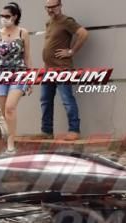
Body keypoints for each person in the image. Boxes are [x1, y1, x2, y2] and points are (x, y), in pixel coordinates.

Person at [0, 2, 31, 154]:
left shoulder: (23, 33)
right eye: (2, 16)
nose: (3, 18)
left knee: (10, 108)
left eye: (7, 16)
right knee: (3, 112)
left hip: (19, 74)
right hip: (1, 75)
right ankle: (4, 143)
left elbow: (27, 57)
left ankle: (11, 145)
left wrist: (30, 79)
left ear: (15, 17)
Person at [39, 0, 88, 141]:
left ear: (60, 6)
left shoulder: (67, 21)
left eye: (53, 7)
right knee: (45, 100)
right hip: (48, 69)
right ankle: (47, 132)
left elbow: (83, 34)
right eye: (47, 7)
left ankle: (74, 130)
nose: (50, 10)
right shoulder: (49, 23)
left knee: (67, 99)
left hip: (62, 68)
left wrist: (71, 51)